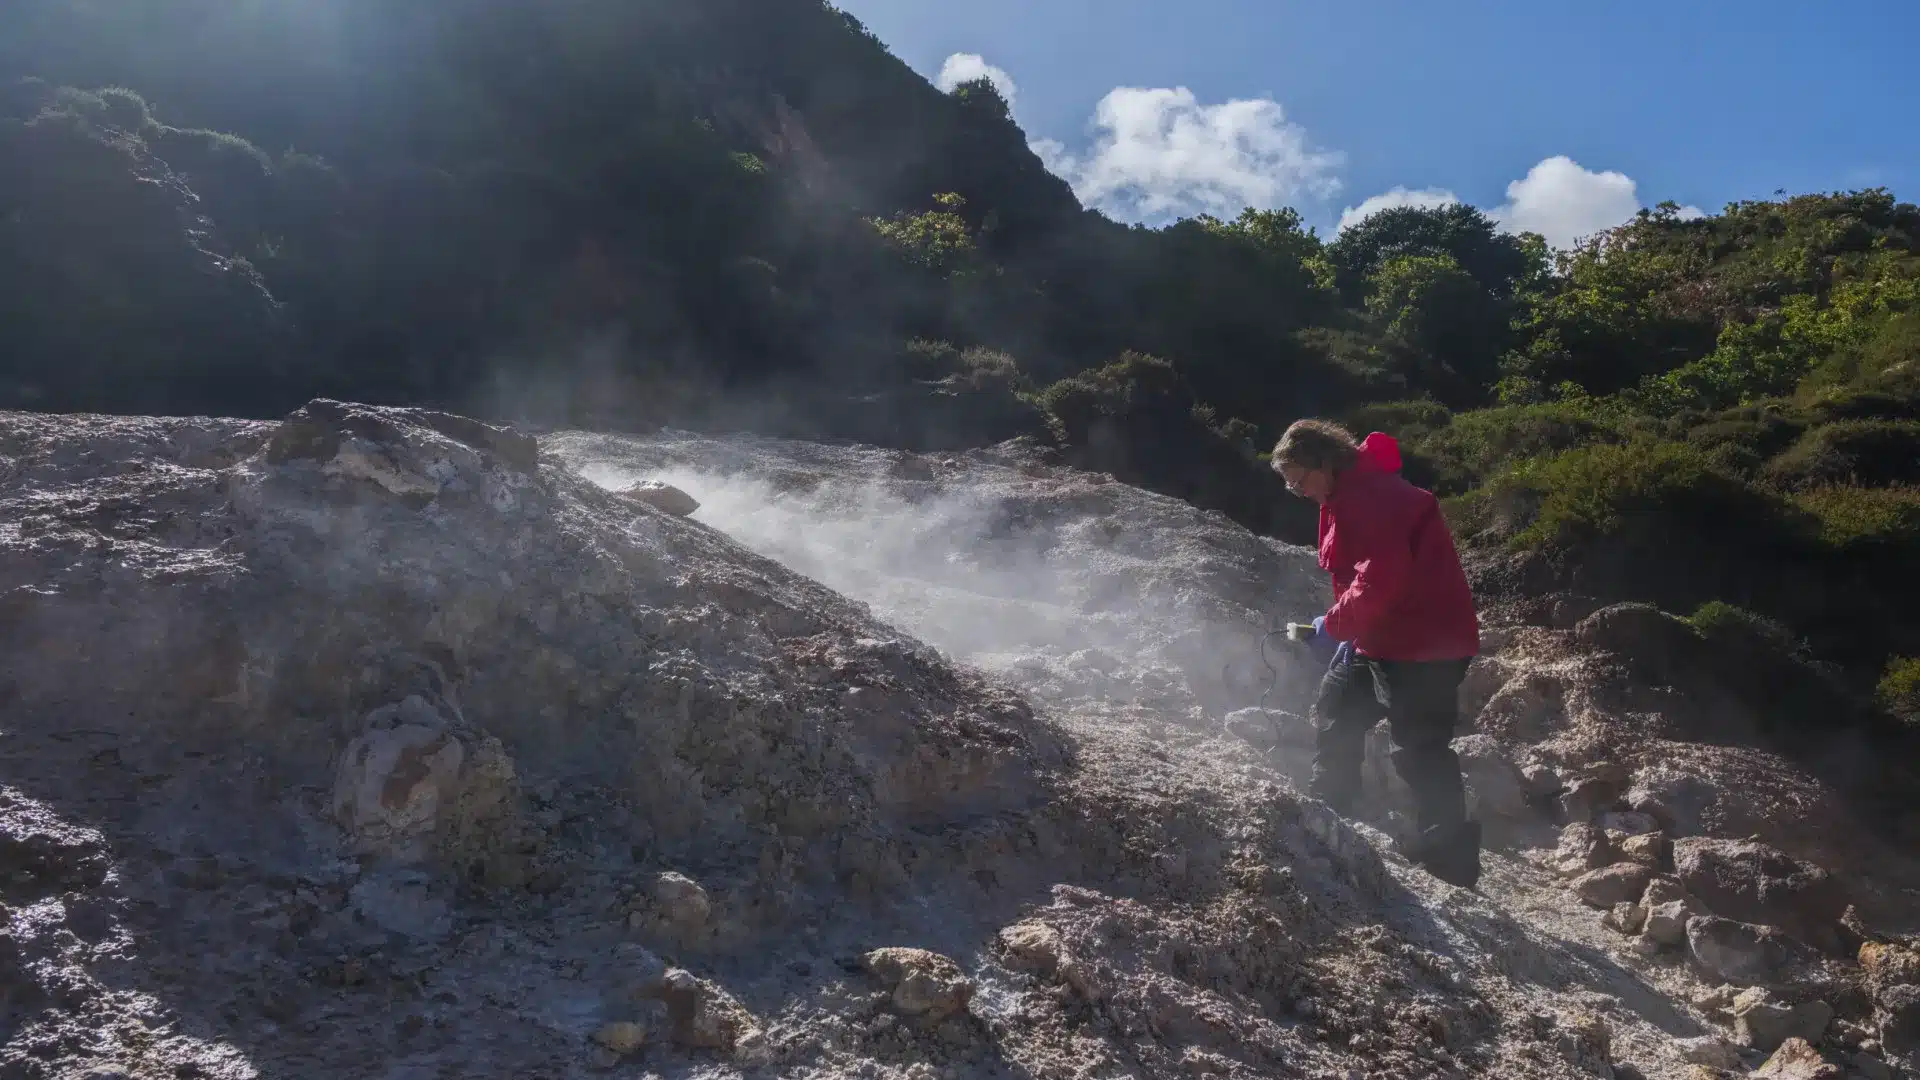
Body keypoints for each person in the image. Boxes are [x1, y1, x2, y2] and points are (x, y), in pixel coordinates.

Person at [1271, 419, 1484, 889]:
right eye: (1291, 485)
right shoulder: (1345, 494)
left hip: (1426, 645)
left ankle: (1452, 863)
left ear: (1324, 463)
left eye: (1299, 480)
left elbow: (1379, 581)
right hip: (1380, 638)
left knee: (1419, 748)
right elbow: (1360, 578)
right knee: (1338, 707)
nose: (1298, 491)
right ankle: (1332, 813)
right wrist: (1345, 630)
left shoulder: (1375, 499)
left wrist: (1334, 625)